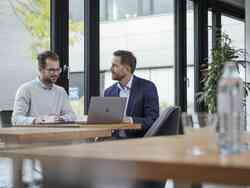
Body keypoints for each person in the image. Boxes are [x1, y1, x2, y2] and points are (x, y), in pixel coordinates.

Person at [104, 50, 159, 138]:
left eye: (115, 66)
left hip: (138, 143)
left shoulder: (147, 87)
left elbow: (153, 121)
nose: (111, 69)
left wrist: (129, 120)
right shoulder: (109, 92)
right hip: (113, 142)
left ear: (127, 68)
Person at [12, 51, 76, 125]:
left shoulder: (61, 91)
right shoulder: (26, 90)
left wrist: (60, 118)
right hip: (34, 134)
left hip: (56, 134)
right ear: (40, 70)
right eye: (51, 70)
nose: (56, 73)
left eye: (58, 70)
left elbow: (72, 116)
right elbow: (16, 119)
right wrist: (36, 120)